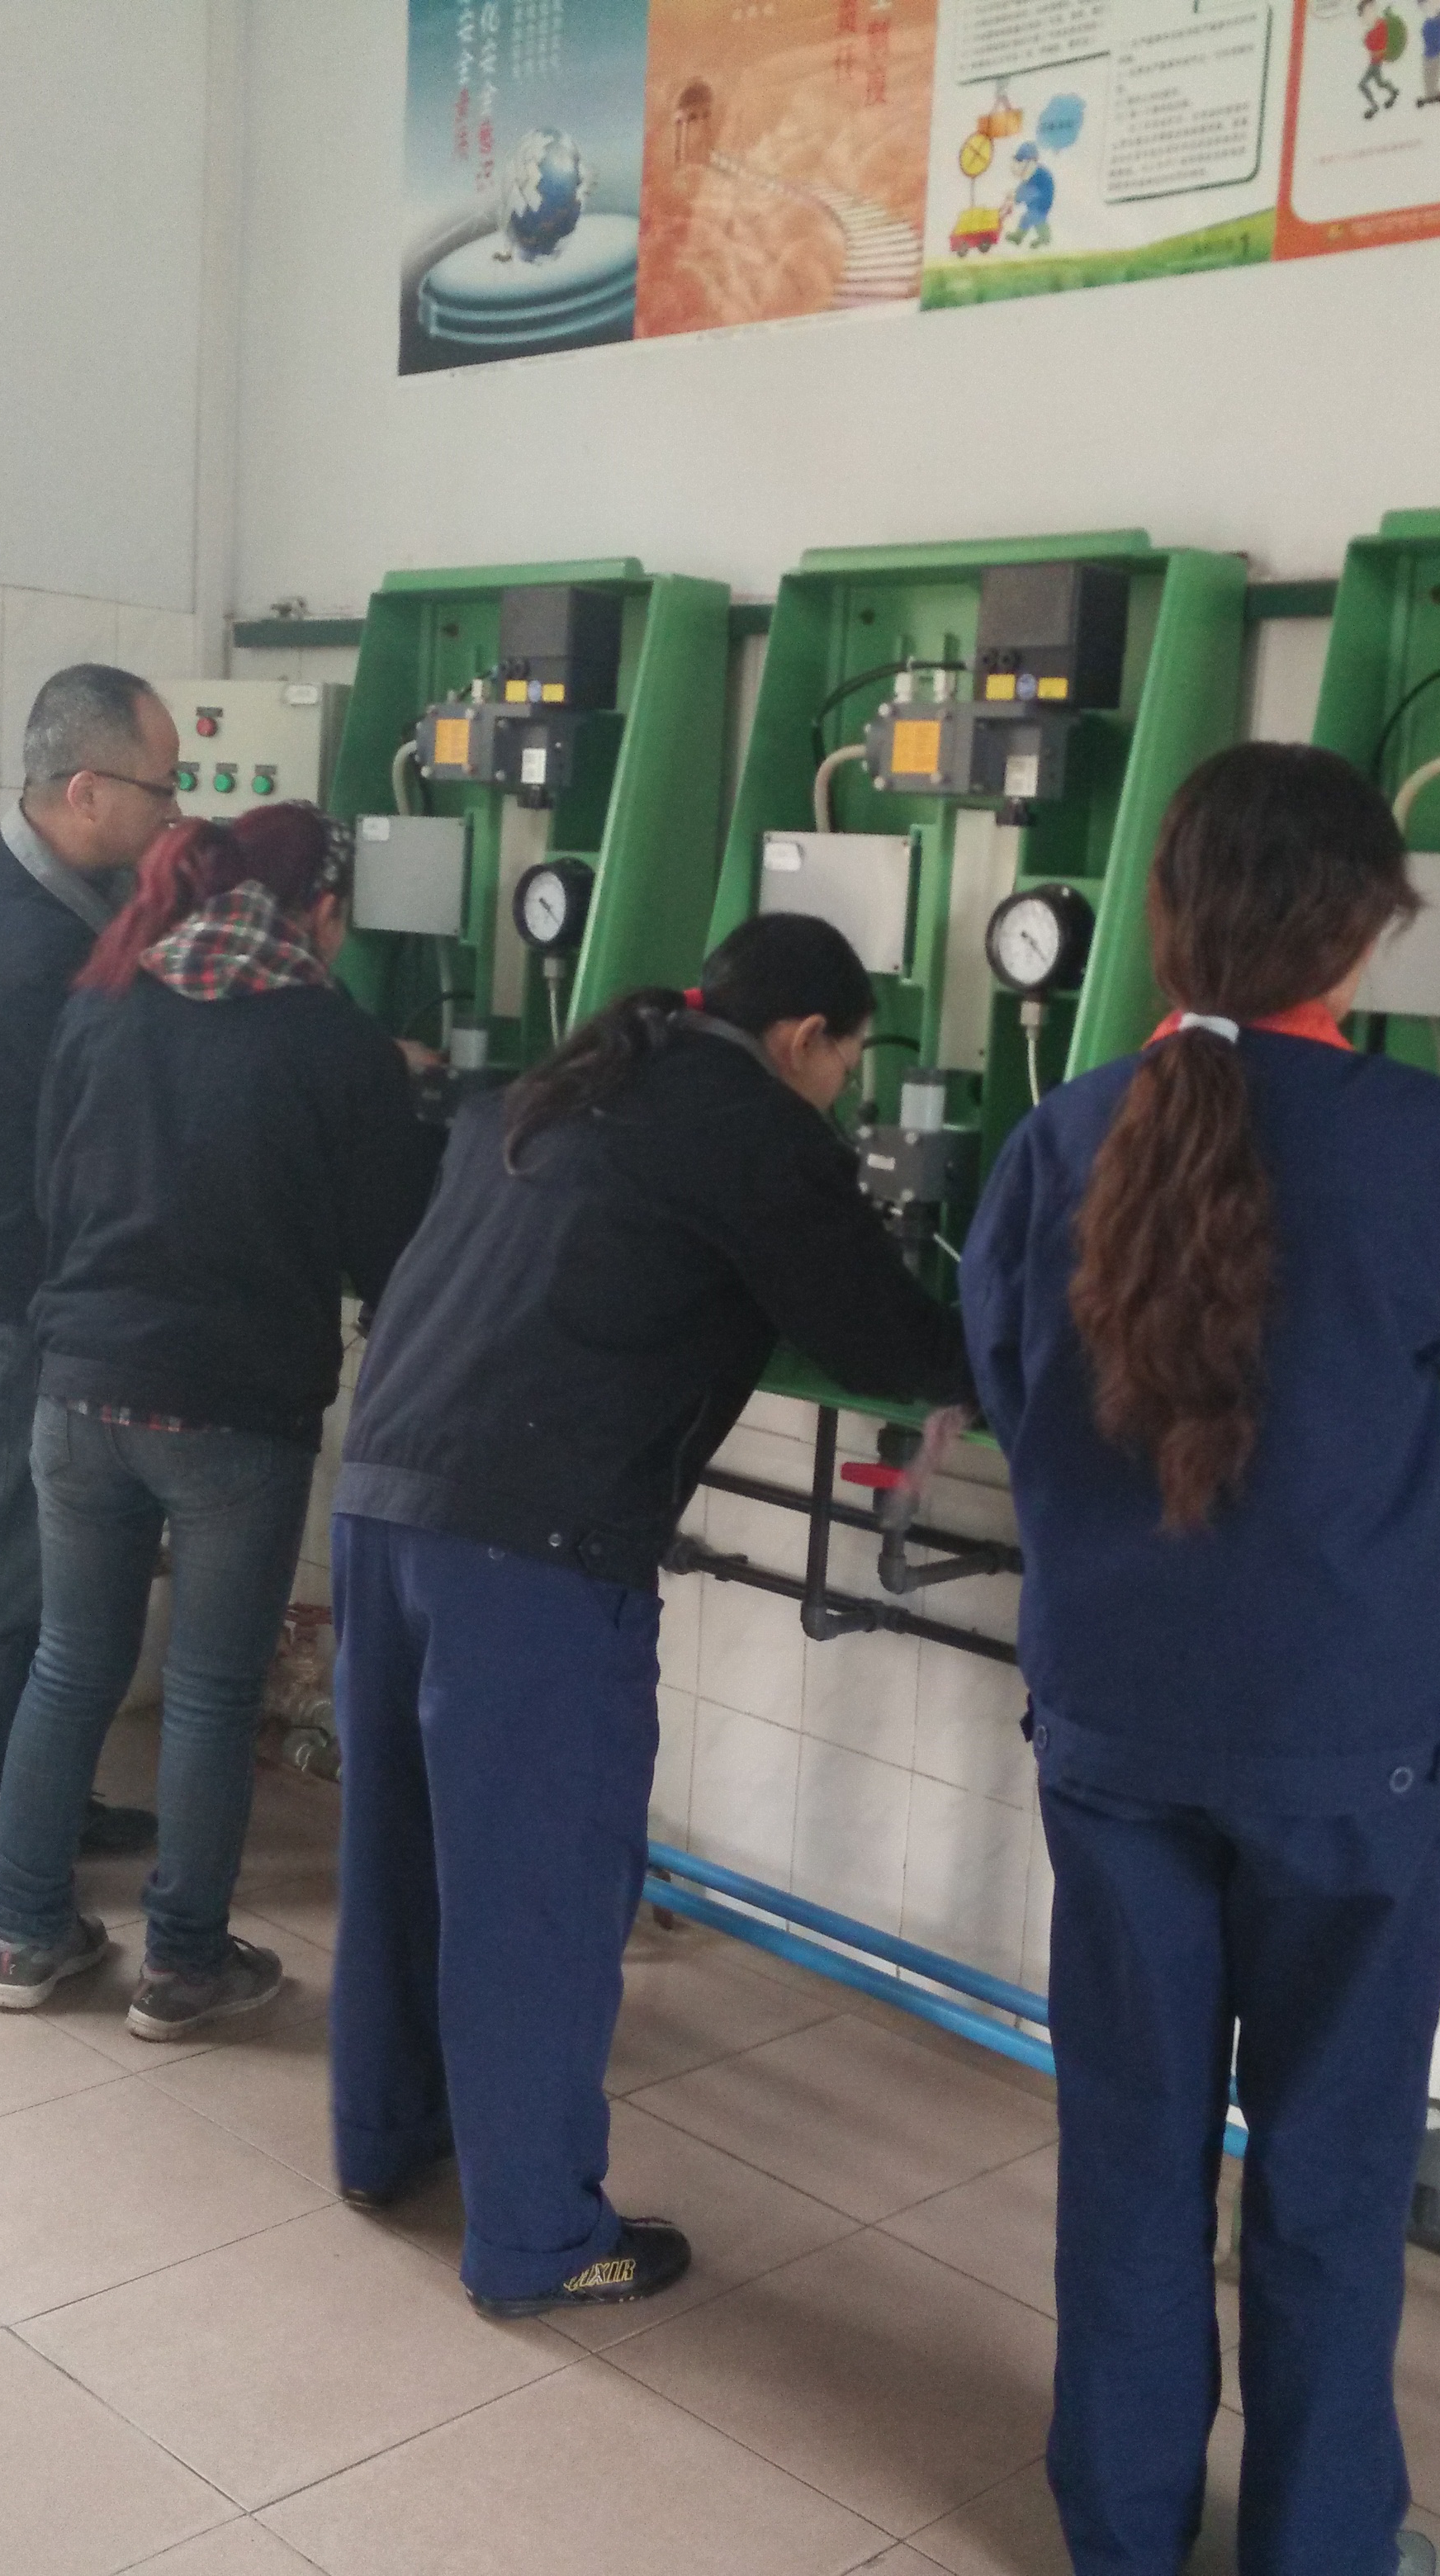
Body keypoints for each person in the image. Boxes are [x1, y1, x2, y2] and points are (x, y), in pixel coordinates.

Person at [959, 743, 1440, 2576]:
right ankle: (1317, 2548)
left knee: (1132, 2152)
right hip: (1344, 1745)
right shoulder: (1434, 1144)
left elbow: (1003, 1375)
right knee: (1327, 2173)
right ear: (1364, 929)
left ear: (1165, 916)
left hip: (1117, 1726)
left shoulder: (1062, 1136)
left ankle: (1122, 2533)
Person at [326, 913, 970, 2318]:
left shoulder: (558, 1087)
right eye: (845, 1067)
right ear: (805, 1038)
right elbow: (877, 1332)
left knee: (401, 1858)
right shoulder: (756, 1130)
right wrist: (1004, 1361)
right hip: (530, 1554)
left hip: (382, 1508)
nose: (840, 1096)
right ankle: (541, 2240)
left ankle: (384, 2141)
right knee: (540, 1897)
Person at [0, 804, 442, 2033]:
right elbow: (389, 1247)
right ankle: (184, 1965)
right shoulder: (334, 1041)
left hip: (79, 1386)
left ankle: (25, 1936)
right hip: (232, 1412)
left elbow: (51, 1187)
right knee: (208, 1690)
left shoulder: (104, 1002)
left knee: (70, 1662)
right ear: (320, 915)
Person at [0, 665, 184, 1915]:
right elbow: (98, 1124)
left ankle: (32, 1802)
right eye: (163, 789)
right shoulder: (25, 941)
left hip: (0, 1297)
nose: (175, 814)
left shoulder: (46, 888)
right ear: (86, 791)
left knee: (38, 1582)